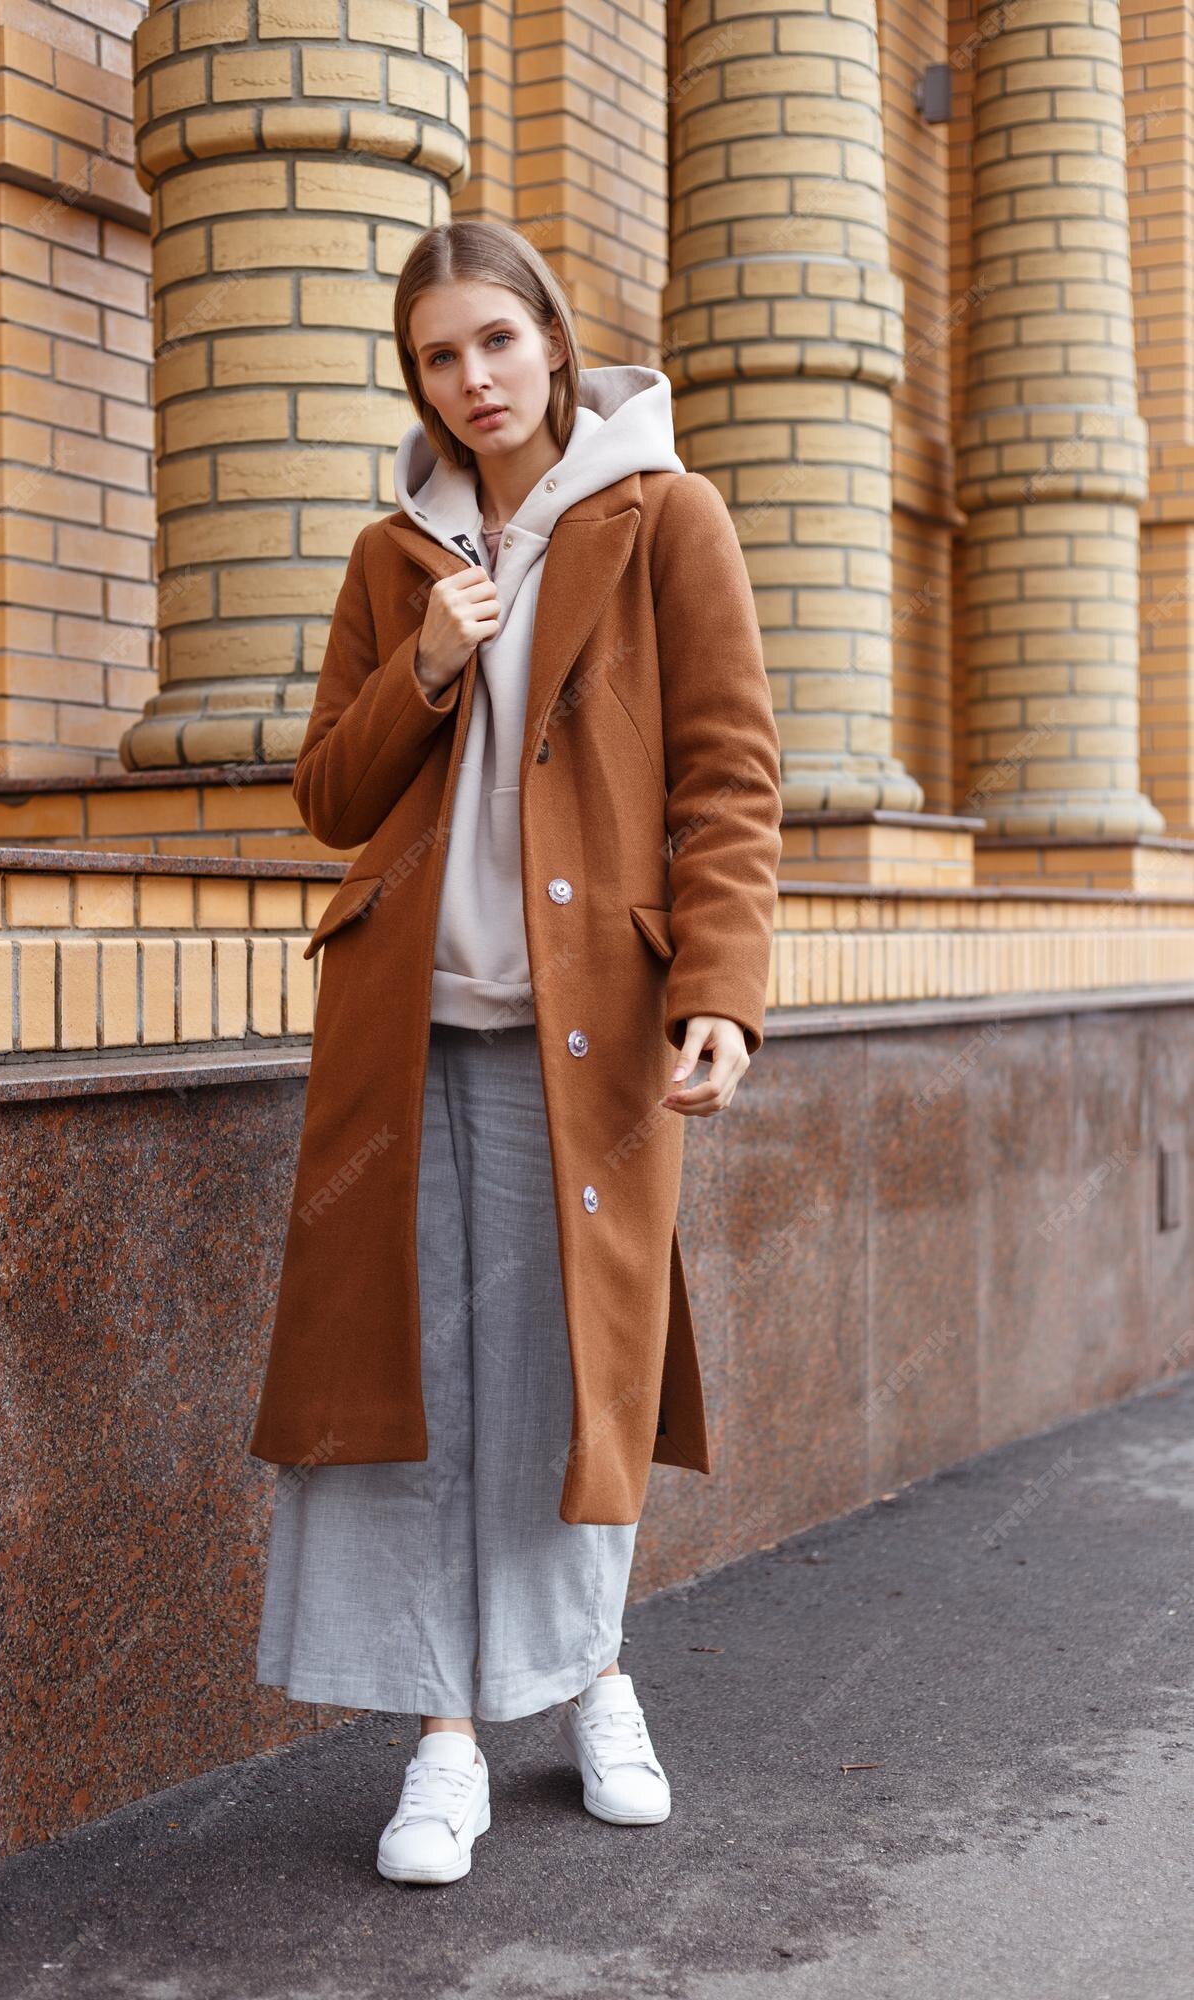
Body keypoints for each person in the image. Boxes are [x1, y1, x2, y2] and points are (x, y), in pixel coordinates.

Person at [251, 219, 783, 1886]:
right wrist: (422, 663)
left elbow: (727, 776)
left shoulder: (662, 516)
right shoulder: (390, 555)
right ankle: (443, 1738)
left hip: (592, 1038)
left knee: (573, 1376)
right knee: (417, 1394)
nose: (470, 380)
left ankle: (594, 1682)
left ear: (553, 340)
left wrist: (721, 984)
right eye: (434, 357)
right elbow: (330, 800)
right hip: (404, 1042)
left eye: (494, 341)